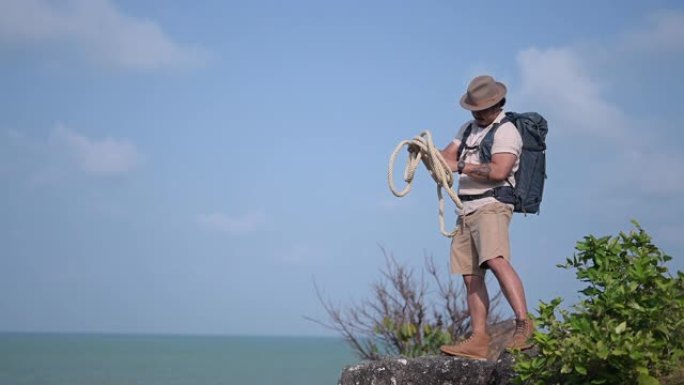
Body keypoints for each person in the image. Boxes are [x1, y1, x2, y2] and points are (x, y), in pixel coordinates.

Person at [437, 75, 534, 360]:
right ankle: (479, 338)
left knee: (495, 259)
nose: (476, 114)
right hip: (465, 209)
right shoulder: (467, 128)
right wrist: (427, 152)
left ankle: (523, 324)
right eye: (473, 109)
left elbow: (498, 171)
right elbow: (447, 156)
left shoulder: (506, 132)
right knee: (470, 275)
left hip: (492, 204)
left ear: (497, 104)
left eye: (481, 109)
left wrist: (462, 166)